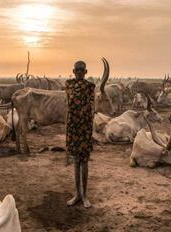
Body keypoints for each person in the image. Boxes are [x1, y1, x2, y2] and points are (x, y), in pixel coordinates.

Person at [65, 61, 95, 208]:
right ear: (73, 70)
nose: (79, 72)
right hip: (73, 127)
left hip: (85, 127)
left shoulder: (90, 86)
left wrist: (89, 127)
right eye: (77, 69)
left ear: (86, 71)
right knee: (76, 161)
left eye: (82, 70)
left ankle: (85, 195)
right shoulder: (68, 85)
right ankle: (77, 194)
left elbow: (91, 106)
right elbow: (69, 105)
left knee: (84, 162)